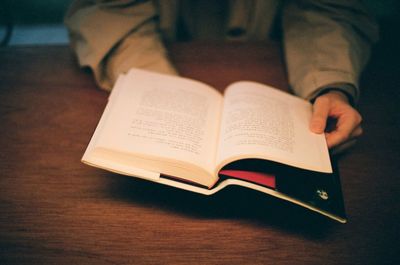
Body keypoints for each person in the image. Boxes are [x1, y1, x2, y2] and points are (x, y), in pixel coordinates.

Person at [65, 0, 378, 153]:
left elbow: (328, 8)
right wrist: (156, 90)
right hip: (157, 56)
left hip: (278, 64)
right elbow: (106, 10)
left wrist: (330, 83)